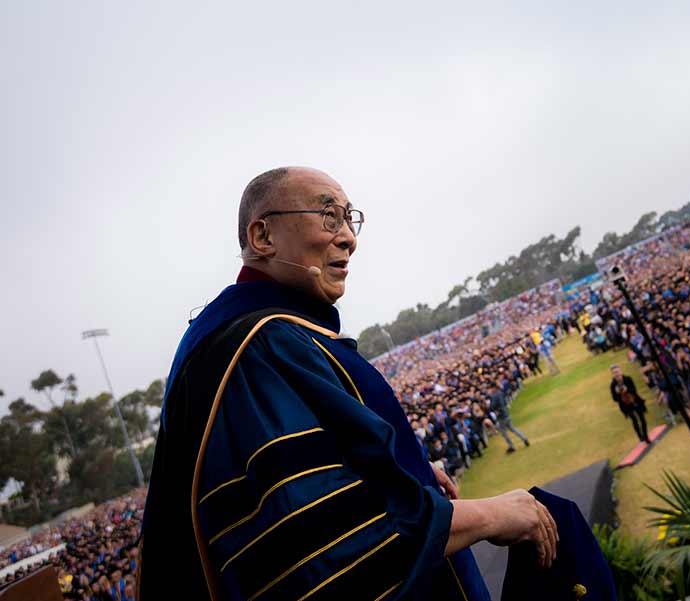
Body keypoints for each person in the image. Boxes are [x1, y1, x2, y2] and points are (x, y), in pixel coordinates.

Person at [138, 167, 558, 600]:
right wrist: (491, 515)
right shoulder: (256, 351)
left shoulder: (271, 335)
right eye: (328, 217)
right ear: (263, 237)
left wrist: (405, 470)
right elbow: (327, 544)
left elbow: (321, 467)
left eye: (348, 218)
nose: (348, 238)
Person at [609, 365, 649, 443]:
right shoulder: (613, 385)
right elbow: (614, 399)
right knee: (634, 419)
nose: (616, 374)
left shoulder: (628, 379)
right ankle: (639, 435)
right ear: (612, 374)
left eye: (617, 372)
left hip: (635, 401)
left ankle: (646, 436)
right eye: (614, 373)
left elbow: (634, 390)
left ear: (621, 371)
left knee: (642, 419)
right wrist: (618, 394)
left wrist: (627, 389)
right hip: (626, 405)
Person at [488, 382, 530, 453]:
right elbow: (504, 402)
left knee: (504, 433)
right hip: (506, 414)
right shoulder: (500, 393)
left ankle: (511, 446)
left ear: (493, 388)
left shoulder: (494, 396)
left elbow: (491, 407)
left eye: (490, 388)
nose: (489, 390)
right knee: (513, 428)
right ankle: (524, 438)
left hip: (501, 417)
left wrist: (490, 404)